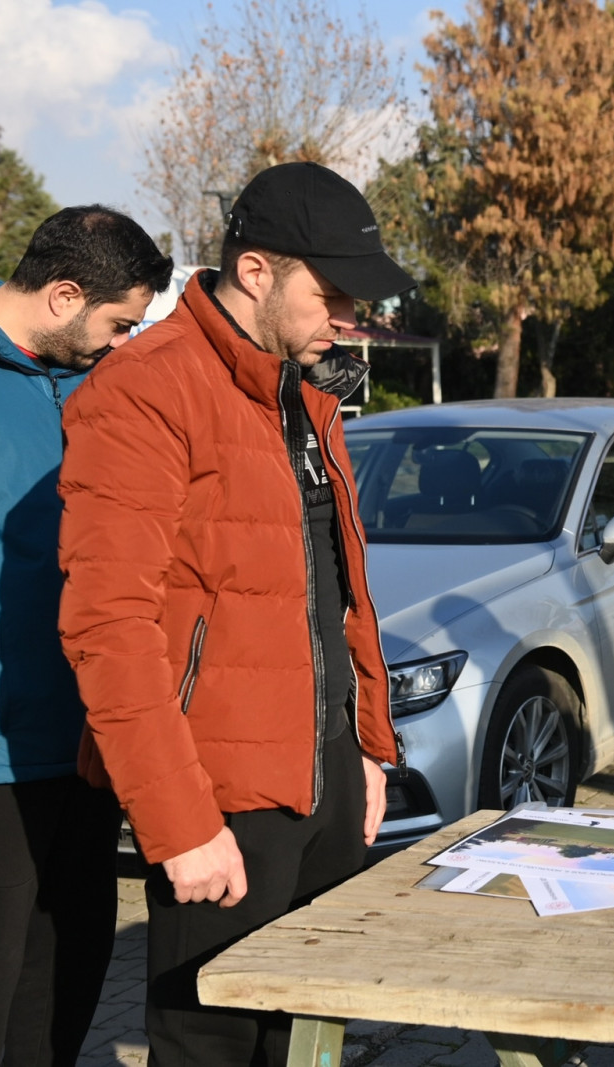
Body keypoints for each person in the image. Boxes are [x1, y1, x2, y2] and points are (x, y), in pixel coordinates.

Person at [56, 162, 413, 1067]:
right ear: (256, 270)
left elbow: (337, 586)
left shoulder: (307, 391)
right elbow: (108, 628)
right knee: (211, 1044)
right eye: (332, 293)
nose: (349, 317)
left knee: (309, 1035)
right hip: (218, 792)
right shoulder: (144, 388)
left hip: (328, 775)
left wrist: (367, 746)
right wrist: (179, 825)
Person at [0, 206, 171, 1066]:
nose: (124, 344)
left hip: (87, 738)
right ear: (63, 295)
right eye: (118, 324)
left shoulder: (87, 378)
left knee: (66, 985)